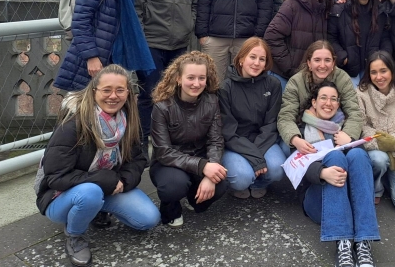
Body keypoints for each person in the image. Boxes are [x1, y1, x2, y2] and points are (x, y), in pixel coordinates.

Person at [36, 65, 160, 267]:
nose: (113, 96)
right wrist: (105, 180)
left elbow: (138, 160)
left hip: (106, 187)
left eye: (120, 90)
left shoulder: (127, 121)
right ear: (94, 91)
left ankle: (96, 209)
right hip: (60, 196)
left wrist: (123, 181)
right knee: (90, 193)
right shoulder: (73, 124)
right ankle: (75, 236)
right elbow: (55, 177)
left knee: (148, 219)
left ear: (128, 93)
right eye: (106, 90)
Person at [296, 81, 379, 267]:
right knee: (334, 157)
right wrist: (322, 173)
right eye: (323, 98)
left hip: (349, 200)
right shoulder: (301, 129)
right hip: (318, 199)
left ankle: (363, 241)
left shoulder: (347, 127)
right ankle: (343, 243)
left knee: (358, 155)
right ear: (314, 102)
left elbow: (361, 166)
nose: (328, 103)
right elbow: (296, 167)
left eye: (333, 99)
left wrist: (349, 141)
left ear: (339, 104)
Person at [134, 0, 199, 151]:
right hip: (151, 44)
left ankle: (172, 144)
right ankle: (142, 144)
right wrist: (142, 38)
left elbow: (194, 3)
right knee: (149, 95)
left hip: (180, 44)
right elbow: (137, 6)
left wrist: (189, 24)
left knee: (178, 95)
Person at [149, 51, 228, 226]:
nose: (196, 83)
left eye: (201, 78)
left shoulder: (212, 101)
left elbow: (215, 141)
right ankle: (170, 207)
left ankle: (195, 198)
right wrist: (203, 166)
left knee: (220, 183)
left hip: (200, 157)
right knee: (174, 186)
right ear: (178, 78)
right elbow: (163, 151)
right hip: (168, 163)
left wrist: (211, 174)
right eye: (190, 77)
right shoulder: (162, 107)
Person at [218, 38, 285, 199]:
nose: (257, 63)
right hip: (235, 143)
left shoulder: (273, 84)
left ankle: (259, 183)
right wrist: (255, 157)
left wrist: (256, 155)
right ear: (241, 59)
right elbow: (228, 131)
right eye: (252, 57)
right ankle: (242, 181)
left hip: (264, 140)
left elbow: (271, 123)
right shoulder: (225, 88)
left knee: (277, 169)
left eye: (262, 59)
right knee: (242, 178)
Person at [357, 51, 395, 213]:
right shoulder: (361, 94)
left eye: (383, 71)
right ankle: (376, 187)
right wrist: (381, 142)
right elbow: (361, 127)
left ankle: (386, 178)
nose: (379, 77)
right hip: (375, 154)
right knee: (379, 159)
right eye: (374, 72)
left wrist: (392, 143)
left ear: (392, 70)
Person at [277, 41, 363, 156]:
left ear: (333, 63)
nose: (322, 65)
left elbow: (354, 113)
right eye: (317, 60)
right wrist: (295, 139)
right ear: (309, 63)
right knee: (286, 149)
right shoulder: (296, 82)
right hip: (304, 131)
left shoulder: (343, 79)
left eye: (327, 60)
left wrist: (347, 137)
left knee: (356, 155)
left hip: (338, 129)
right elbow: (286, 117)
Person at [264, 0, 333, 86]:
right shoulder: (292, 5)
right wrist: (290, 68)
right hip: (285, 76)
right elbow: (272, 36)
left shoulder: (326, 7)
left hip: (311, 77)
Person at [328, 0, 391, 85]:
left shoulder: (380, 11)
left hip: (373, 68)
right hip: (348, 69)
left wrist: (383, 58)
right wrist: (343, 58)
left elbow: (385, 38)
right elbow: (330, 37)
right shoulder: (340, 9)